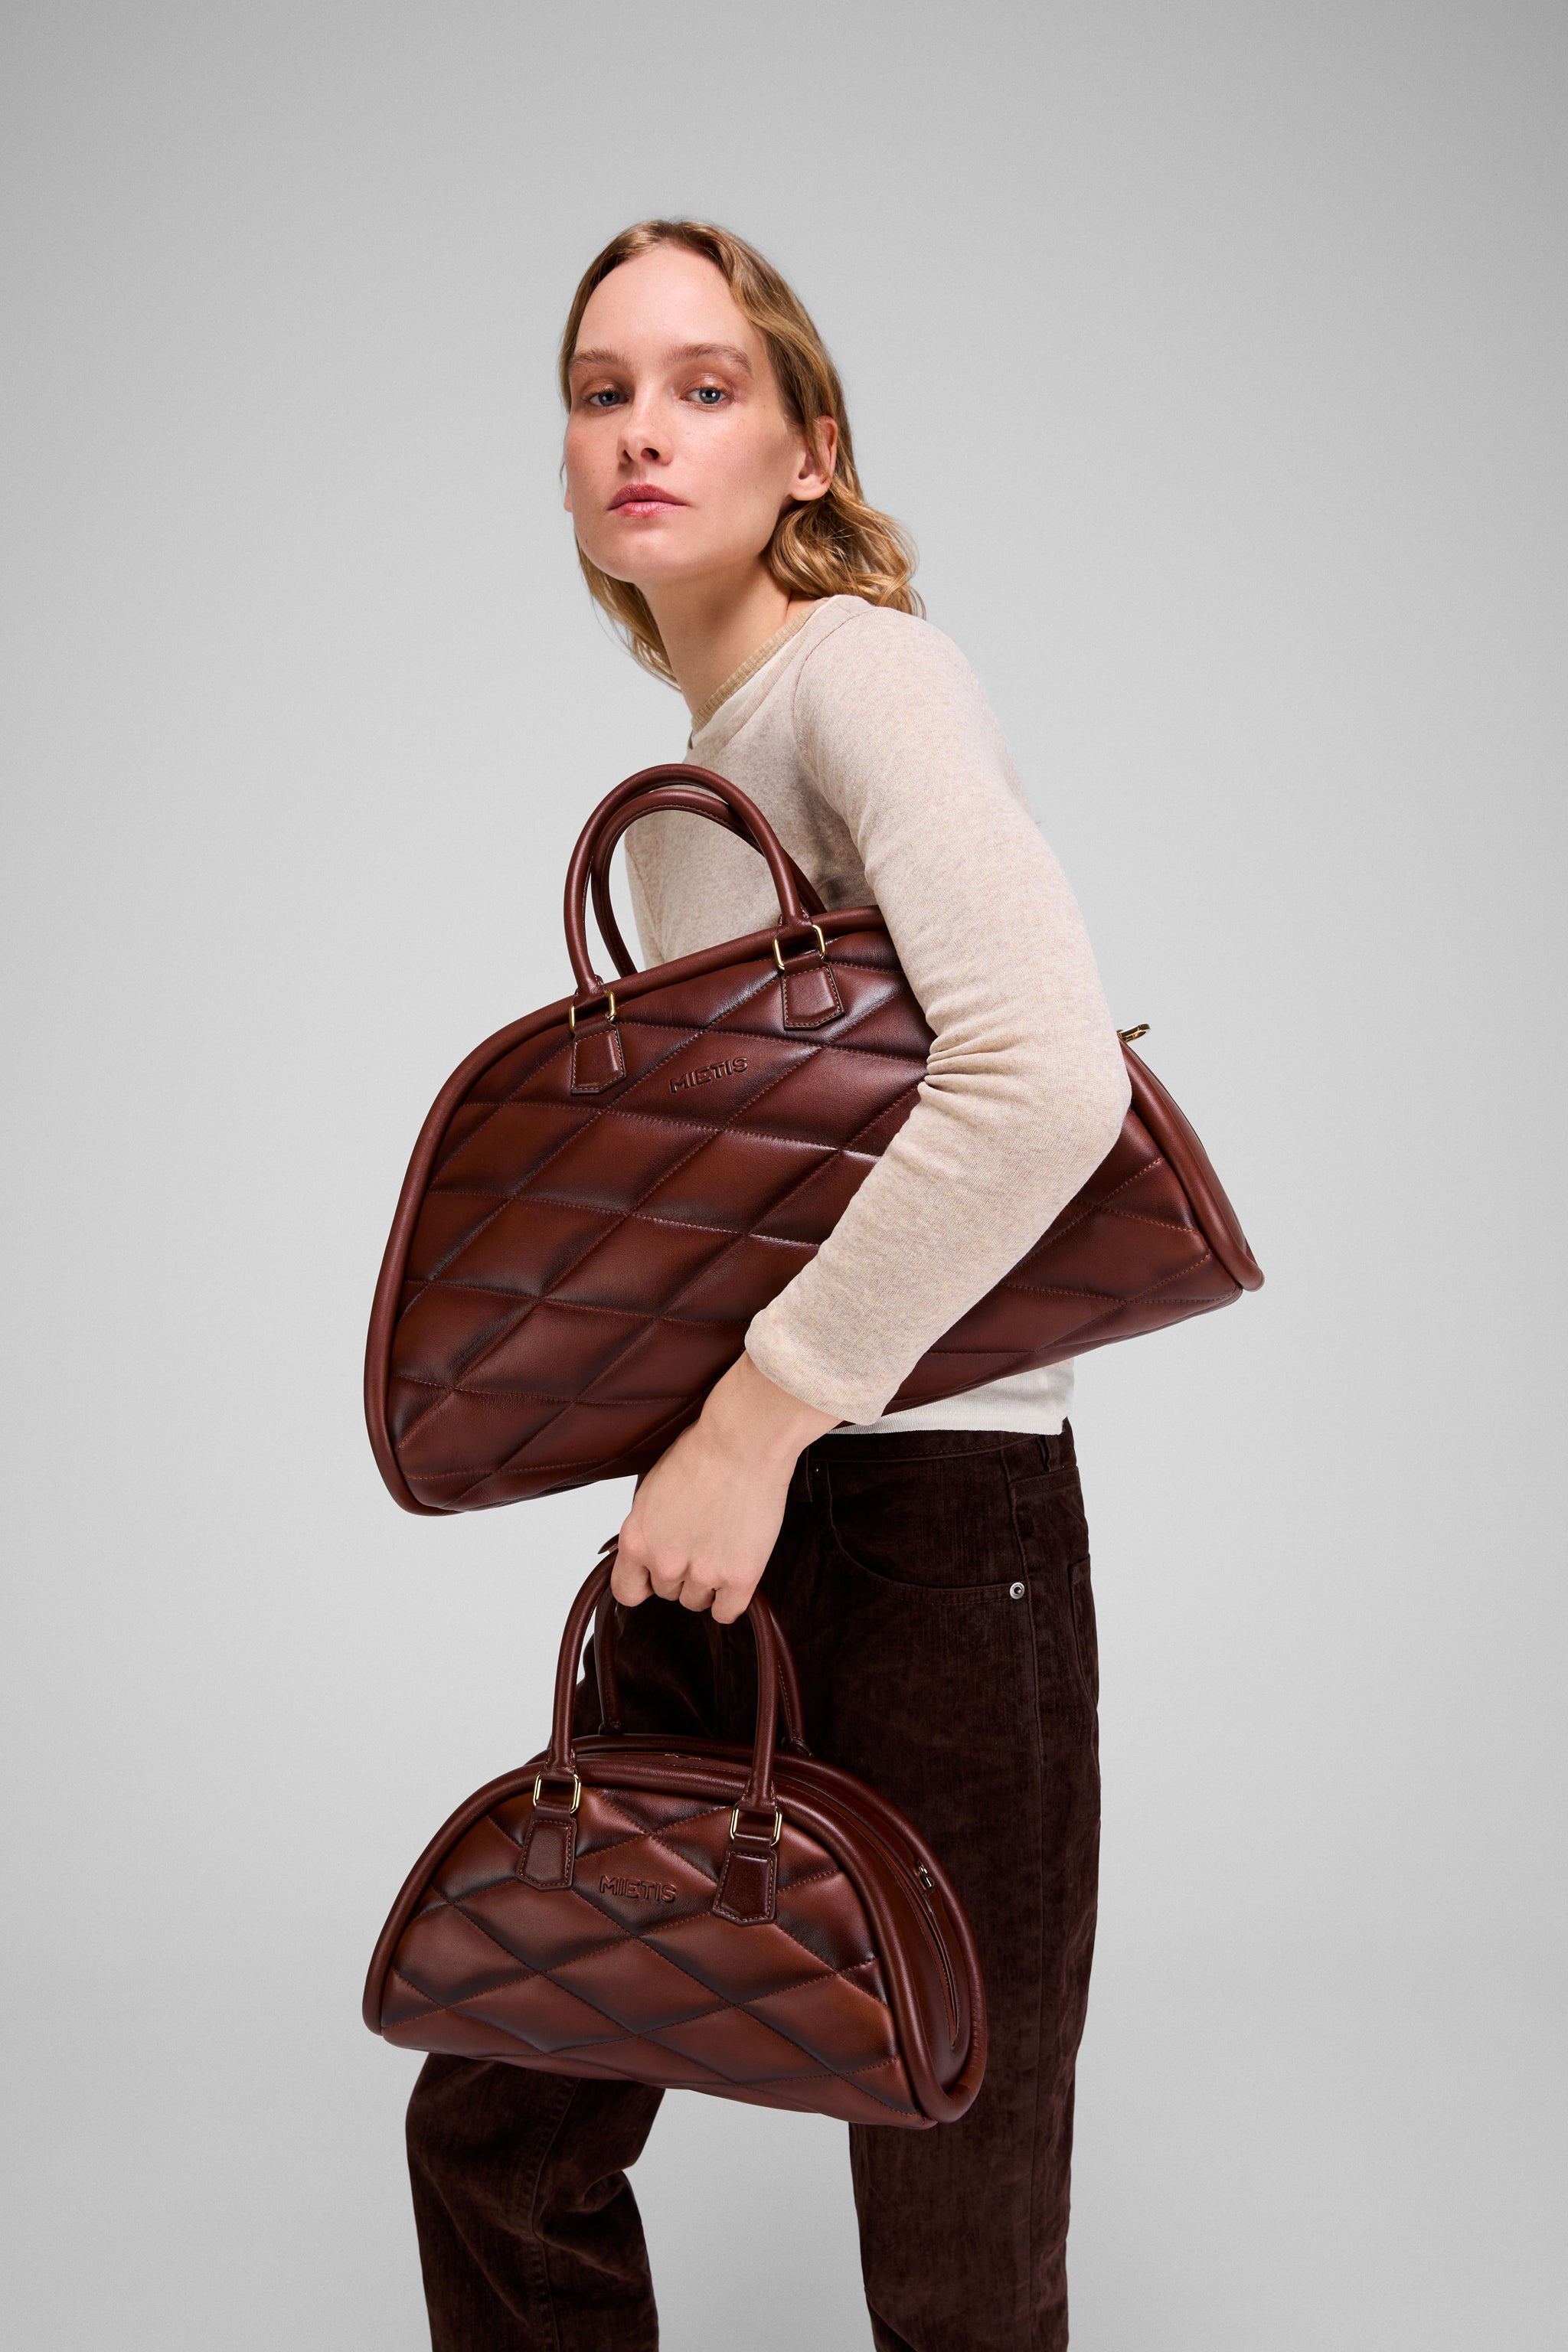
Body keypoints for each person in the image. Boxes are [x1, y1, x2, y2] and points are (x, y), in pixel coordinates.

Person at [405, 220, 1131, 2352]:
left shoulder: (866, 679)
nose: (644, 428)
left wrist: (747, 1425)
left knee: (956, 2231)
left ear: (811, 450)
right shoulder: (692, 786)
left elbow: (1045, 1076)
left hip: (928, 1525)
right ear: (564, 463)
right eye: (603, 391)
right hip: (732, 1519)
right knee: (506, 2125)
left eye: (705, 387)